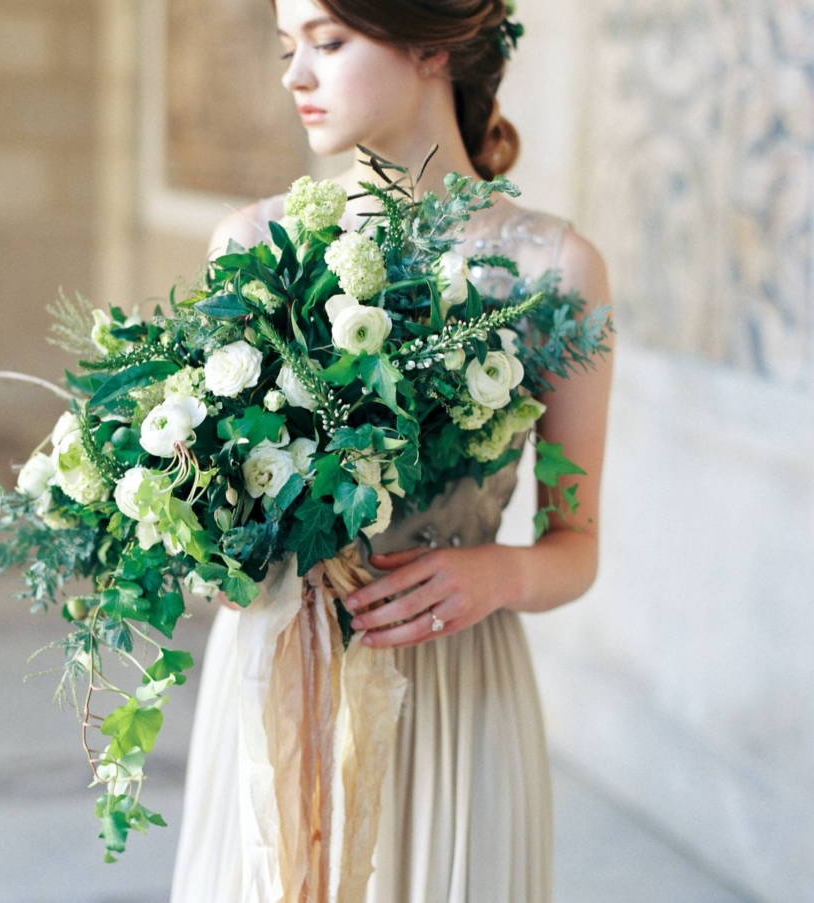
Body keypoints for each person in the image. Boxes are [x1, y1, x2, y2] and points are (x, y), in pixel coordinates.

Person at [169, 0, 615, 900]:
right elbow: (202, 509)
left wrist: (498, 574)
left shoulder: (551, 272)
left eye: (328, 44)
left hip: (448, 692)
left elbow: (578, 543)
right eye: (289, 47)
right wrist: (207, 545)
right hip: (275, 679)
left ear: (430, 45)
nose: (295, 75)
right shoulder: (253, 245)